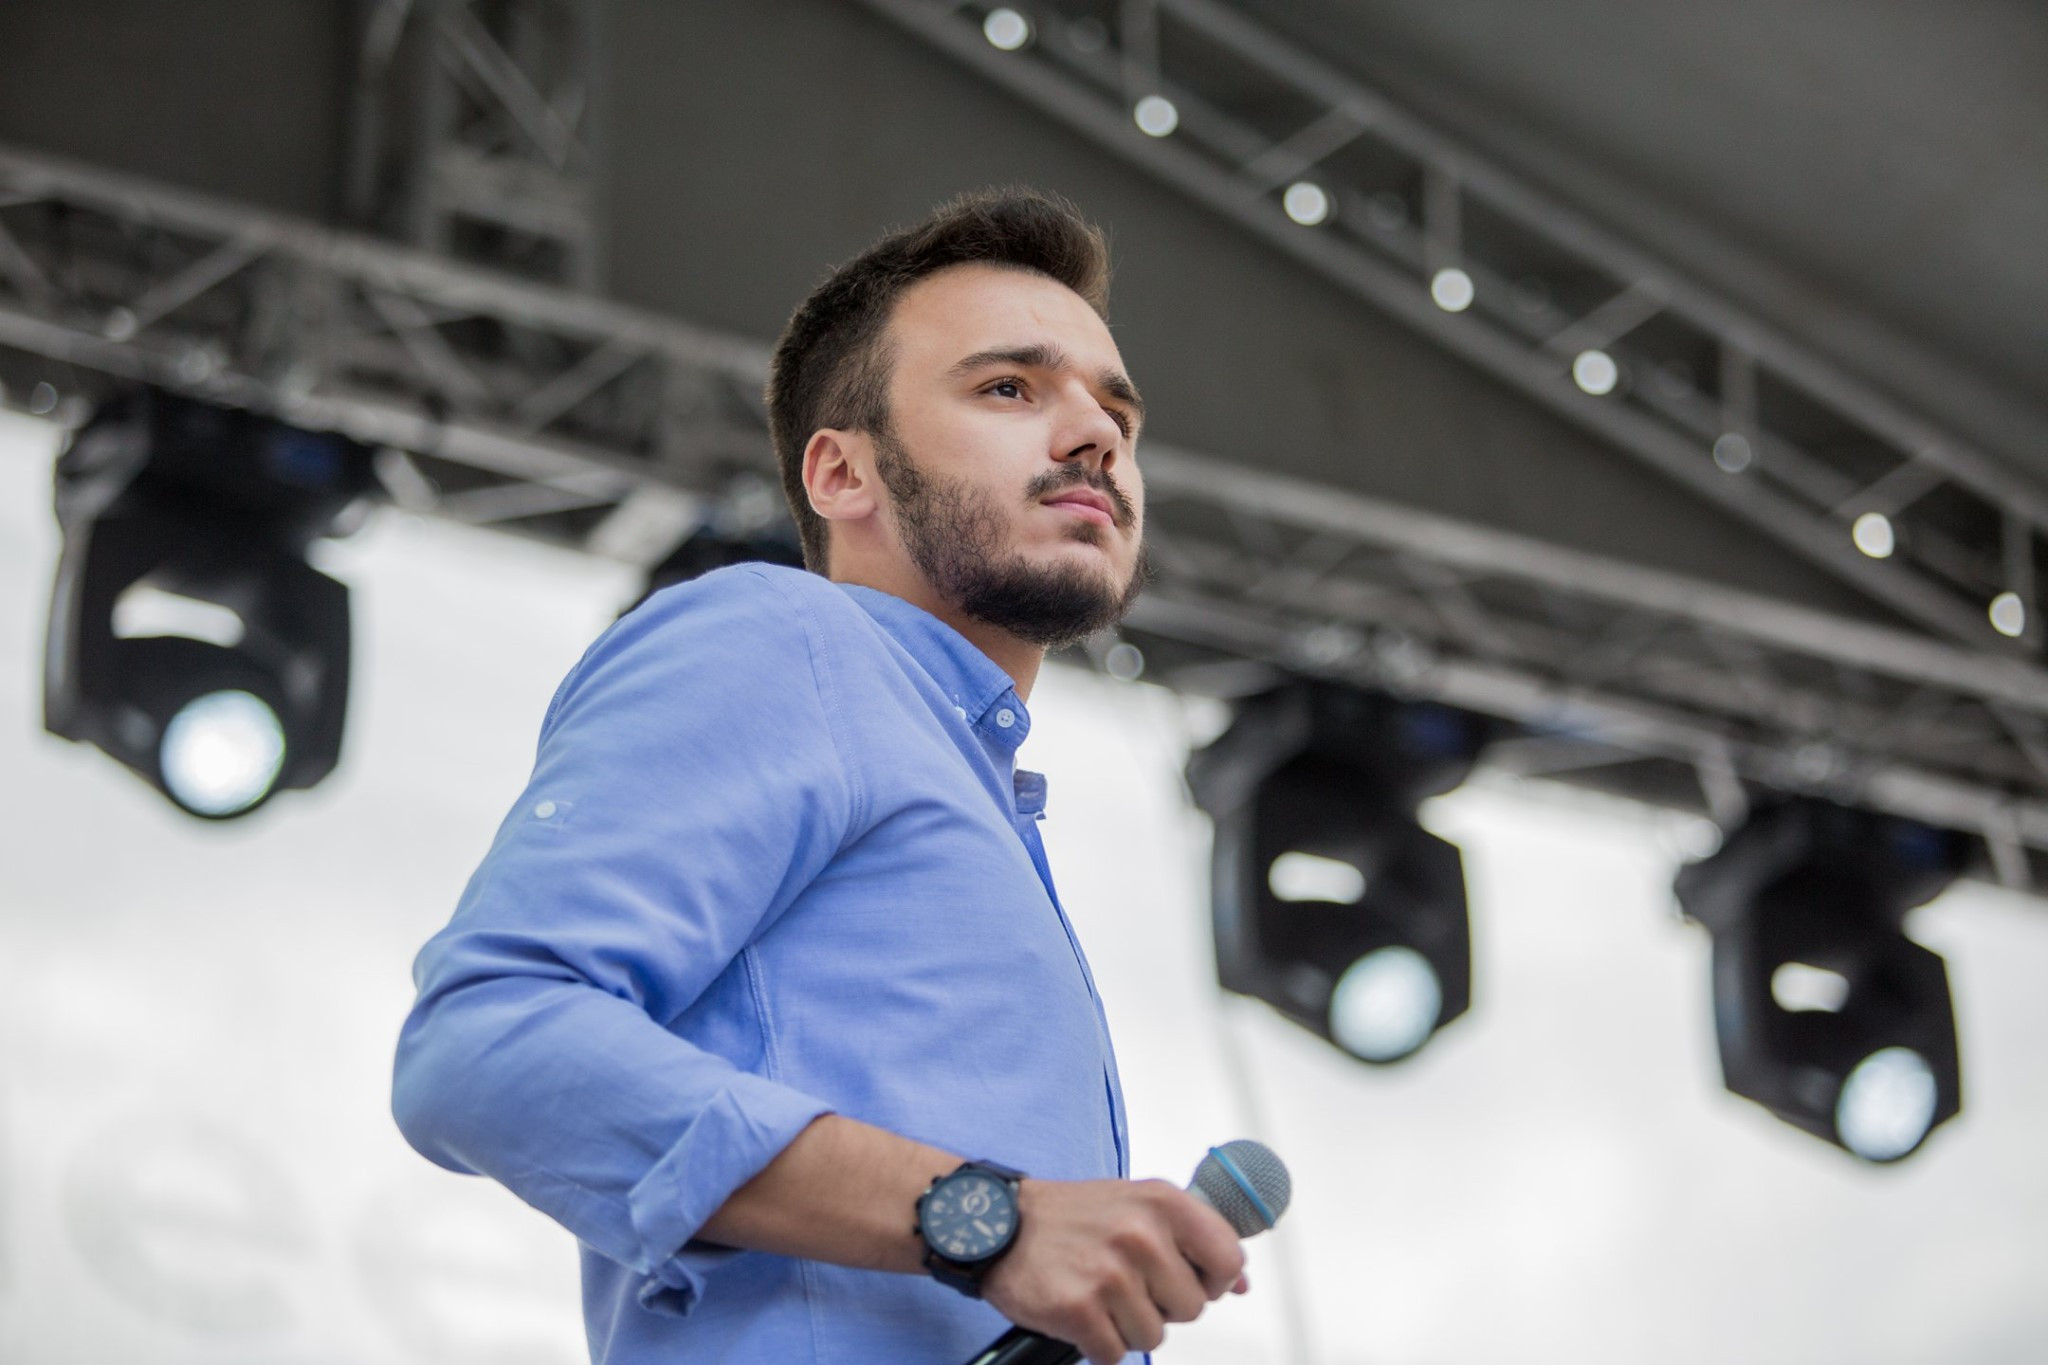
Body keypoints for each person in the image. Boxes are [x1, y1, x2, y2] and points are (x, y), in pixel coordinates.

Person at [392, 188, 1248, 1365]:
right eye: (1009, 388)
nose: (1094, 434)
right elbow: (482, 1042)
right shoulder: (783, 639)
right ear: (843, 474)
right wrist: (984, 1222)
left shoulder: (974, 790)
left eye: (1116, 411)